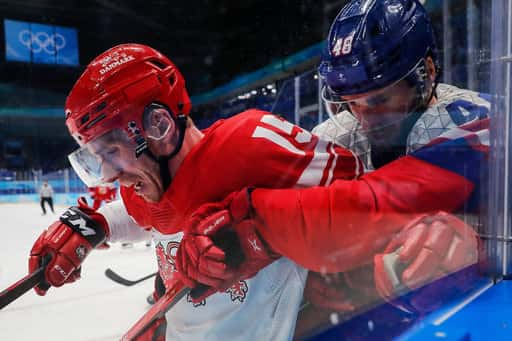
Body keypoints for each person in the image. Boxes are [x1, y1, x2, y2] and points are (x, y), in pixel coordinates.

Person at [27, 37, 483, 341]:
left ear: (158, 125)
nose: (107, 175)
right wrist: (90, 223)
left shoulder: (251, 143)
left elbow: (351, 190)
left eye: (111, 151)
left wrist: (263, 226)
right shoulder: (144, 185)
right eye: (93, 158)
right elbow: (137, 210)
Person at [173, 0, 489, 335]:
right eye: (350, 102)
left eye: (379, 99)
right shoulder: (337, 133)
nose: (364, 118)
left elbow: (380, 198)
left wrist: (255, 223)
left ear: (426, 74)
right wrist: (213, 228)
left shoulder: (475, 121)